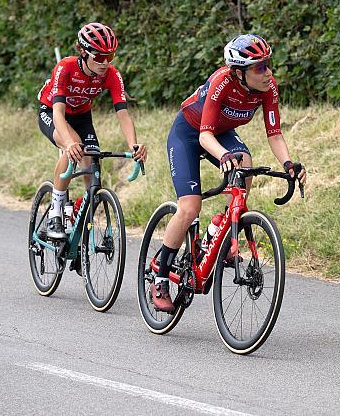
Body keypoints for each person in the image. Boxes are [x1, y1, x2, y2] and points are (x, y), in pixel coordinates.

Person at [153, 34, 307, 312]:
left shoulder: (268, 88)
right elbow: (204, 136)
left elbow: (274, 134)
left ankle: (220, 229)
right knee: (189, 207)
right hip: (190, 133)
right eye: (259, 68)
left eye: (268, 64)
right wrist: (223, 155)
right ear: (239, 72)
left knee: (245, 163)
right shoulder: (222, 81)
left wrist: (288, 164)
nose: (268, 72)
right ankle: (160, 275)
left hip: (221, 133)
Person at [37, 22, 147, 240]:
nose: (105, 63)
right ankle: (55, 212)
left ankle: (81, 210)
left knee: (92, 160)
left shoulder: (112, 75)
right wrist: (68, 143)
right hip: (52, 111)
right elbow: (58, 113)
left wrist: (133, 145)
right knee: (74, 148)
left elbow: (123, 114)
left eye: (110, 56)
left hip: (81, 115)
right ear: (83, 51)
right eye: (98, 57)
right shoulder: (65, 67)